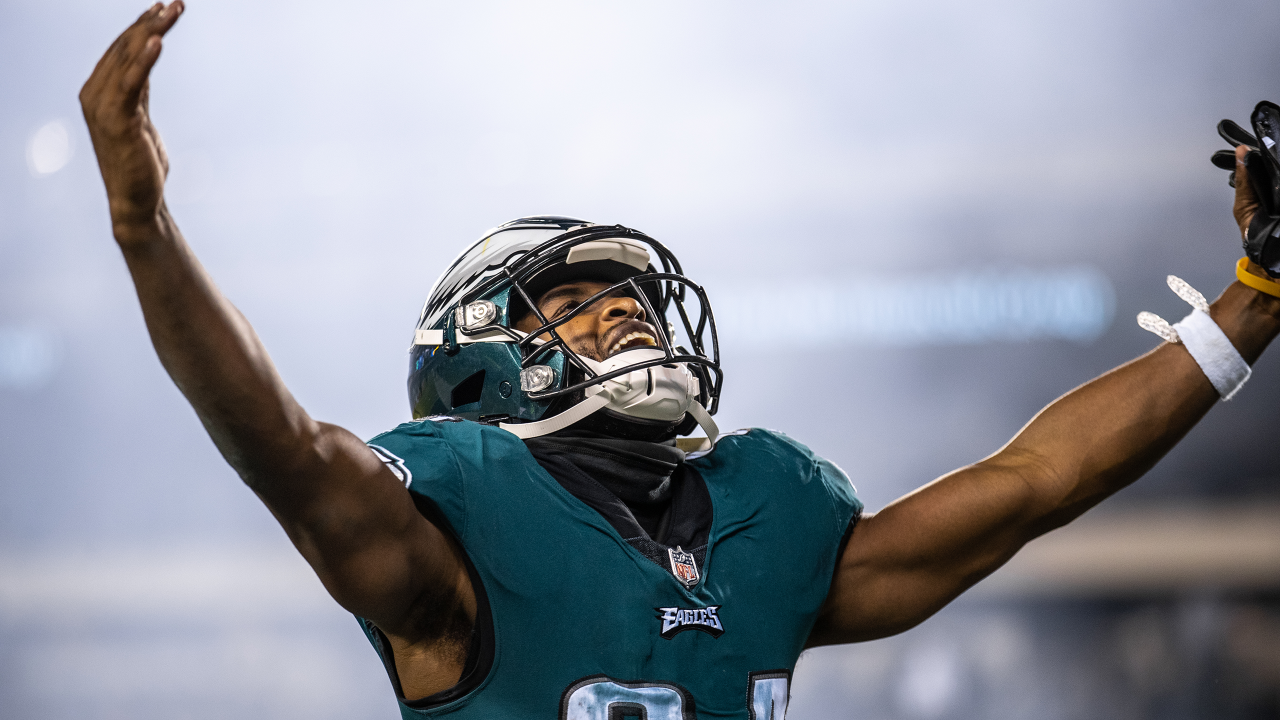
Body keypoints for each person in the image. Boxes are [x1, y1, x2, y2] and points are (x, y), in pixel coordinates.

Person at [79, 3, 1280, 719]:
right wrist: (148, 232)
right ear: (477, 370)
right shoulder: (454, 527)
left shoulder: (764, 507)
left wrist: (1255, 299)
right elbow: (280, 448)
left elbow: (1035, 483)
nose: (625, 321)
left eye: (631, 301)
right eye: (575, 308)